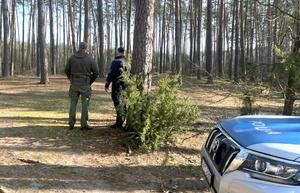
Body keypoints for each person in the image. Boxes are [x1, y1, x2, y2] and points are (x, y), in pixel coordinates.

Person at [65, 42, 99, 130]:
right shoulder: (90, 58)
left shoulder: (72, 58)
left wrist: (71, 78)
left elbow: (66, 70)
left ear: (79, 48)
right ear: (86, 48)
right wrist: (90, 81)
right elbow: (96, 72)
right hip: (85, 84)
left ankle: (71, 123)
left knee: (73, 104)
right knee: (85, 105)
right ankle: (84, 124)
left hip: (74, 84)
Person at [105, 47, 129, 129]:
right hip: (126, 85)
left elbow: (112, 73)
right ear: (124, 52)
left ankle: (119, 122)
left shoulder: (116, 62)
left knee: (117, 102)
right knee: (124, 102)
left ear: (118, 52)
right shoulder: (127, 62)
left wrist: (107, 83)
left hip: (117, 84)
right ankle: (123, 120)